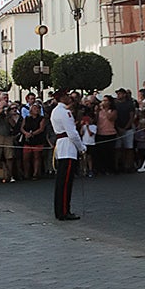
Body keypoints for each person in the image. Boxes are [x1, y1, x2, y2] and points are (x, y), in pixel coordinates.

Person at [51, 89, 83, 220]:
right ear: (62, 98)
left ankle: (61, 210)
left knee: (62, 181)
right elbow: (73, 134)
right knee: (65, 183)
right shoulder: (65, 112)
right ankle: (64, 211)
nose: (69, 97)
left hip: (61, 145)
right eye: (66, 96)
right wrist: (81, 147)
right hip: (68, 147)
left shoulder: (56, 111)